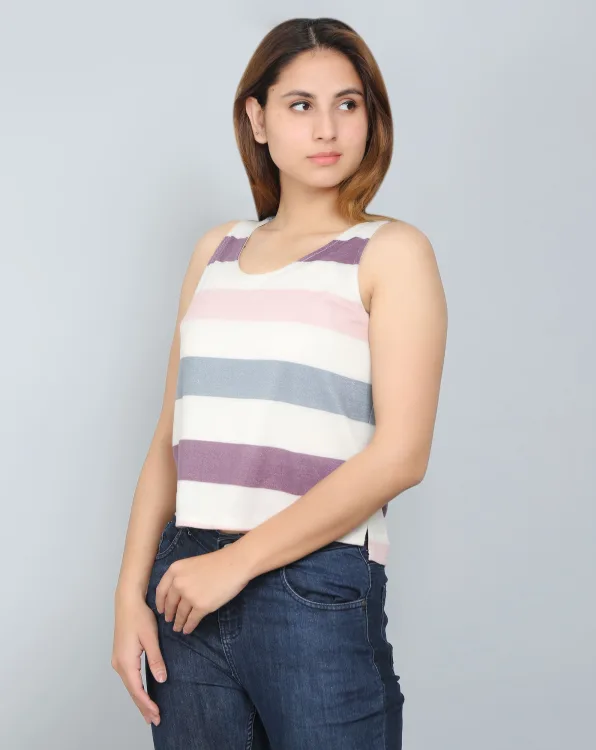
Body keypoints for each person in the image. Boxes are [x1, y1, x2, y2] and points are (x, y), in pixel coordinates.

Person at [112, 16, 447, 750]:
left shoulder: (390, 252)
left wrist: (235, 564)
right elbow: (170, 440)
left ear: (370, 117)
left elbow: (402, 456)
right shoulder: (216, 251)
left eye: (347, 103)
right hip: (185, 585)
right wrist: (129, 593)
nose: (327, 127)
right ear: (257, 119)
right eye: (301, 105)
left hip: (312, 587)